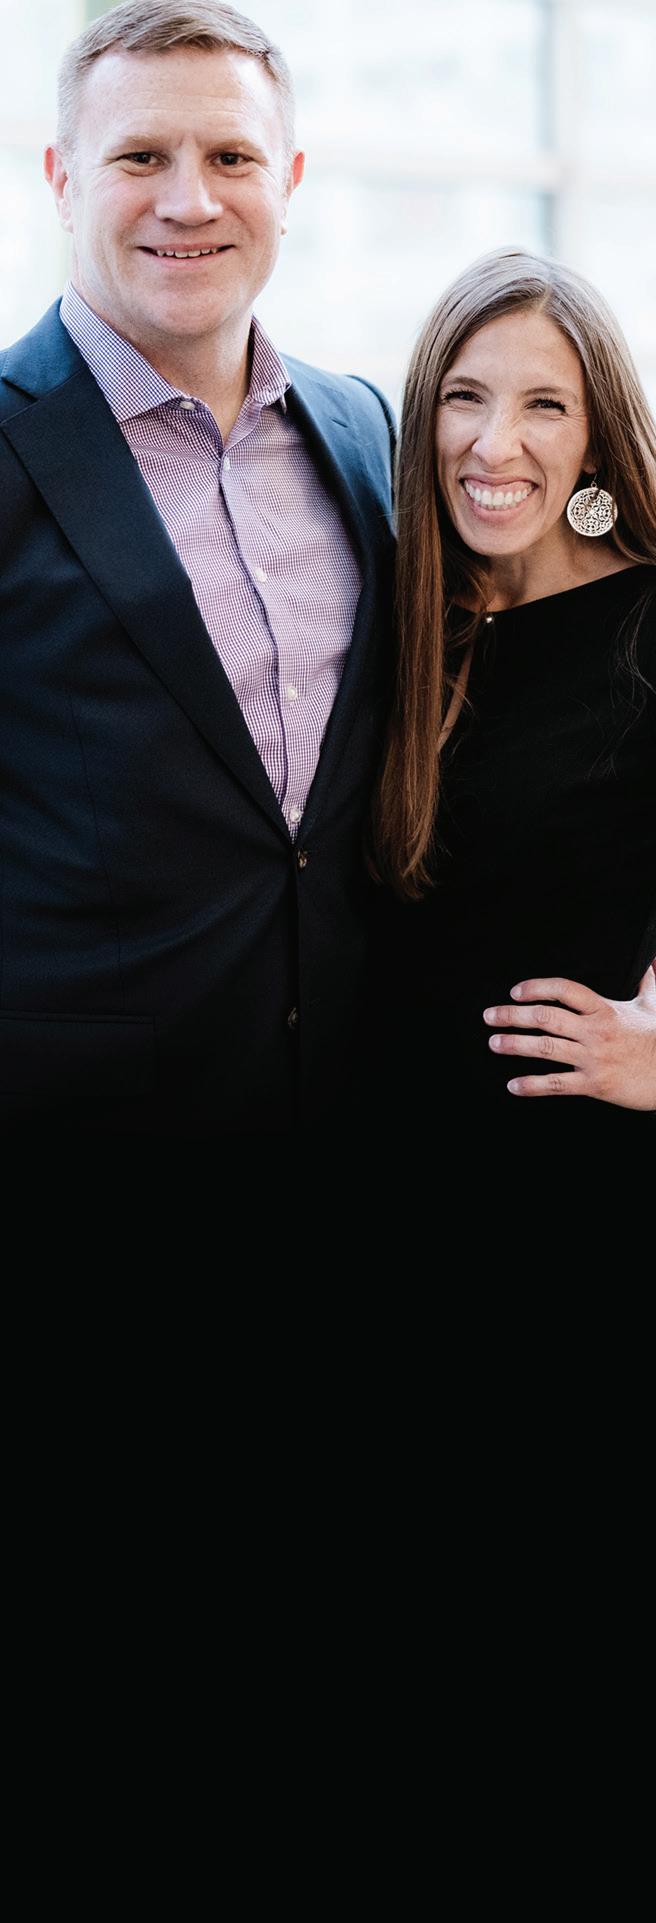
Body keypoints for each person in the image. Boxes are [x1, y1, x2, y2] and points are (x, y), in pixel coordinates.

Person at [0, 0, 394, 1133]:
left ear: (289, 182)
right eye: (140, 158)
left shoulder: (364, 429)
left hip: (353, 1106)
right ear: (62, 179)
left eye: (232, 157)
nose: (189, 200)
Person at [371, 249, 656, 1124]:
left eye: (546, 405)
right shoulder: (400, 607)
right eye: (465, 396)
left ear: (597, 439)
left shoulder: (646, 621)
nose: (495, 444)